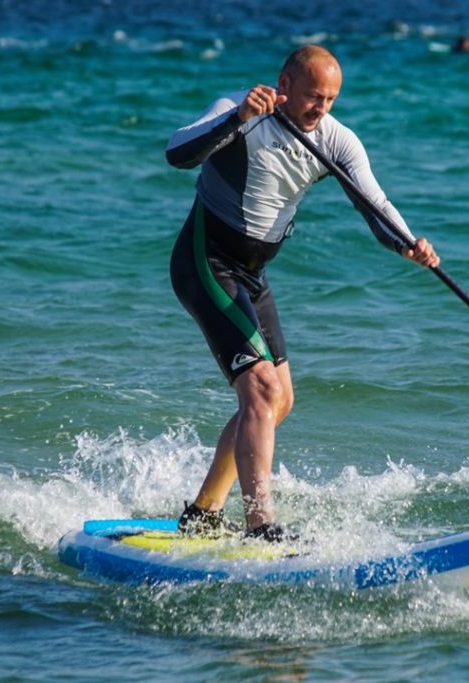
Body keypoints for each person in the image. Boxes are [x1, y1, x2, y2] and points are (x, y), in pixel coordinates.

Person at [165, 45, 440, 542]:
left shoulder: (336, 140)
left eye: (332, 99)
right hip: (206, 260)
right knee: (261, 391)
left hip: (253, 274)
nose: (323, 109)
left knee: (279, 401)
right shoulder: (240, 110)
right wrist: (239, 119)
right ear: (284, 85)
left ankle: (204, 512)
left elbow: (371, 203)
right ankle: (260, 522)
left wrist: (408, 244)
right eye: (314, 96)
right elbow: (177, 152)